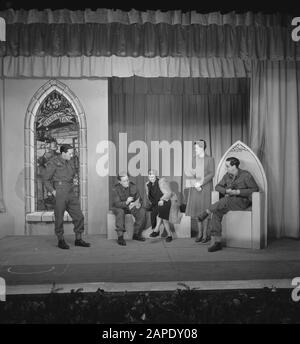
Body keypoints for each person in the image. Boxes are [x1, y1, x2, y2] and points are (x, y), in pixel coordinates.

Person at [198, 157, 259, 252]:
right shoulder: (227, 176)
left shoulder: (246, 175)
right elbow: (217, 186)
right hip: (229, 201)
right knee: (217, 212)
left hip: (242, 201)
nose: (226, 168)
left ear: (234, 166)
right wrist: (226, 190)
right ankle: (217, 243)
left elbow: (255, 189)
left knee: (225, 200)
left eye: (227, 166)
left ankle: (206, 211)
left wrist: (238, 192)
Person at [43, 144, 90, 249]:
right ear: (63, 153)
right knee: (59, 218)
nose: (72, 155)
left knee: (79, 216)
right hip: (60, 192)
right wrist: (53, 191)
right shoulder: (53, 162)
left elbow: (72, 175)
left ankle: (78, 239)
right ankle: (60, 240)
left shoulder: (71, 161)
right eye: (70, 153)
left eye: (72, 153)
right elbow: (46, 179)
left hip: (70, 192)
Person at [185, 140, 215, 244]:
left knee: (205, 211)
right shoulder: (193, 159)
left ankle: (206, 235)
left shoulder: (210, 159)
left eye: (197, 147)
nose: (195, 149)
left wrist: (200, 183)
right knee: (197, 211)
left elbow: (212, 173)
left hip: (205, 187)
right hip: (195, 189)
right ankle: (200, 234)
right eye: (195, 148)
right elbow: (190, 173)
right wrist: (194, 183)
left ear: (202, 148)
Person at [145, 170, 182, 242]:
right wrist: (153, 203)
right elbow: (149, 195)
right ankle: (169, 235)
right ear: (148, 176)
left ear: (156, 176)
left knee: (161, 210)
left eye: (153, 176)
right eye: (150, 176)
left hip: (168, 200)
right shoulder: (147, 184)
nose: (151, 178)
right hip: (157, 203)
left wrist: (162, 199)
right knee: (164, 219)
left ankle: (156, 230)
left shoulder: (161, 181)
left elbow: (169, 193)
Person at [112, 172, 146, 246]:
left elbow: (139, 199)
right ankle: (120, 237)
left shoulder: (133, 186)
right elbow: (117, 204)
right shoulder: (115, 189)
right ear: (120, 182)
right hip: (118, 207)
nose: (127, 182)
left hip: (130, 206)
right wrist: (127, 202)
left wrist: (137, 204)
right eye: (124, 181)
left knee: (142, 211)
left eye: (127, 180)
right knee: (120, 212)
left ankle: (136, 234)